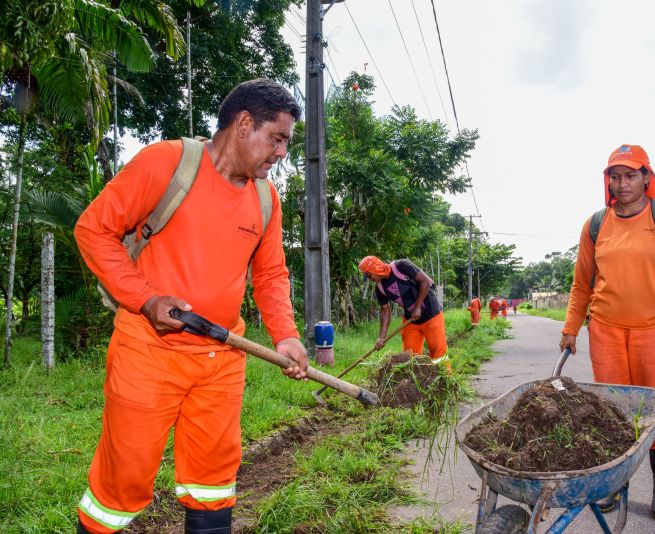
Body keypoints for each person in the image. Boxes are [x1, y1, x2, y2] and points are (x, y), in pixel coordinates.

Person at [73, 79, 309, 534]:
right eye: (276, 139)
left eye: (286, 143)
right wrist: (144, 299)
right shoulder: (168, 163)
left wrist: (287, 335)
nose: (281, 152)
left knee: (213, 482)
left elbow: (271, 274)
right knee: (122, 480)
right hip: (148, 353)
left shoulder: (265, 199)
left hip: (223, 358)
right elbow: (93, 230)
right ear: (243, 124)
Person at [559, 144, 655, 522]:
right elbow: (581, 285)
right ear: (607, 180)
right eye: (614, 176)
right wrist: (571, 328)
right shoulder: (596, 225)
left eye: (630, 175)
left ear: (646, 177)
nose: (622, 183)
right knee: (610, 410)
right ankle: (611, 486)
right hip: (607, 332)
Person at [358, 256, 449, 368]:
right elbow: (385, 311)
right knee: (409, 357)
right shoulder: (380, 288)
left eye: (369, 276)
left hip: (431, 313)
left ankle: (444, 382)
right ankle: (414, 384)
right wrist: (382, 337)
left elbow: (425, 281)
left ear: (375, 269)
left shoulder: (401, 266)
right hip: (411, 320)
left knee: (437, 353)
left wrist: (417, 307)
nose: (370, 279)